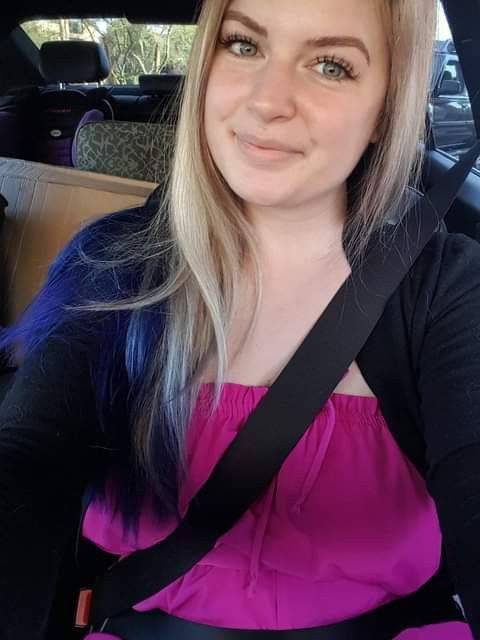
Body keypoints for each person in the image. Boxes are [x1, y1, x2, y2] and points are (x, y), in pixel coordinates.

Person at [0, 0, 480, 638]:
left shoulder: (445, 288)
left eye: (331, 65)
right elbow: (27, 459)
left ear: (385, 111)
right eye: (244, 45)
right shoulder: (112, 262)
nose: (267, 100)